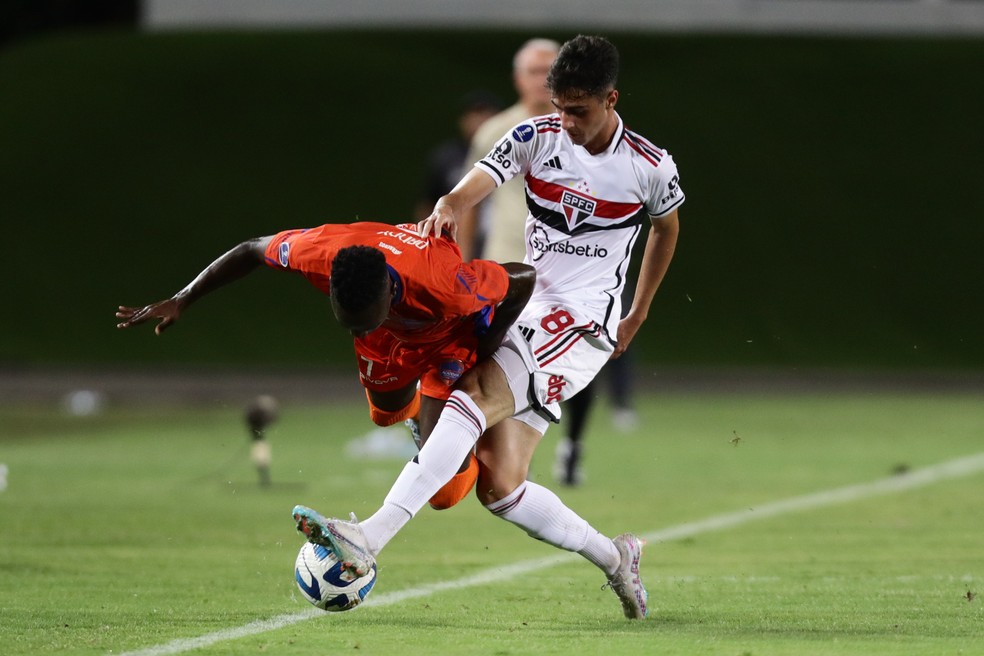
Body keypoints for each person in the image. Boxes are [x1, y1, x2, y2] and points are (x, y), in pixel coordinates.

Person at [293, 35, 684, 620]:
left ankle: (369, 537)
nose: (566, 122)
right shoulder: (537, 135)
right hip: (525, 303)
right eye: (559, 107)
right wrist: (450, 202)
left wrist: (640, 308)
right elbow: (486, 172)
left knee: (470, 400)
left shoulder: (649, 167)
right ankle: (616, 556)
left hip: (580, 321)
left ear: (611, 99)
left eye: (578, 111)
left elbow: (666, 230)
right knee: (501, 485)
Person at [116, 221, 535, 509]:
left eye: (360, 322)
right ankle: (429, 426)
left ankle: (465, 431)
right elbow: (249, 250)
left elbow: (521, 280)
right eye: (347, 324)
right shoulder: (318, 253)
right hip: (388, 335)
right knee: (383, 414)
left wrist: (485, 347)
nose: (352, 333)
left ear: (390, 295)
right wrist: (183, 298)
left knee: (443, 494)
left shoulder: (444, 286)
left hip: (448, 343)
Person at [456, 38, 559, 262]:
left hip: (565, 259)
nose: (542, 80)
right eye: (534, 72)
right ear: (518, 79)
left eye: (549, 71)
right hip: (506, 257)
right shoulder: (495, 130)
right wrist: (461, 261)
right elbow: (469, 200)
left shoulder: (581, 130)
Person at [414, 90, 502, 222]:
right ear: (462, 120)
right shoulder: (447, 156)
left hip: (501, 235)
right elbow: (428, 203)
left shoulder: (511, 153)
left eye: (487, 114)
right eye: (475, 114)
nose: (481, 120)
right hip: (454, 233)